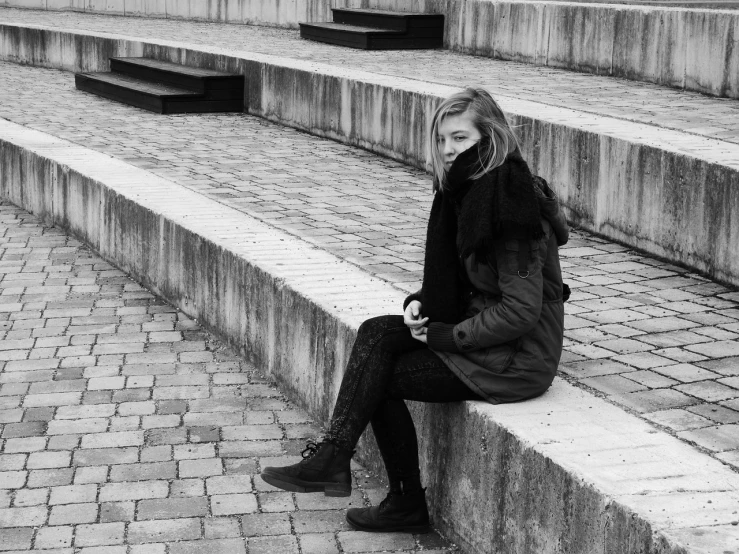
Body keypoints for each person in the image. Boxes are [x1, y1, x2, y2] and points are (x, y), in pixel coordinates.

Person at [260, 87, 569, 534]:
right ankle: (337, 458)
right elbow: (456, 282)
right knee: (377, 333)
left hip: (516, 360)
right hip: (486, 339)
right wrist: (421, 304)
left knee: (378, 378)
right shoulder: (469, 194)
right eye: (442, 139)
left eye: (460, 138)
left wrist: (444, 336)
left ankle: (391, 493)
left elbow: (520, 313)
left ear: (492, 137)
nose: (448, 150)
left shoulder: (509, 209)